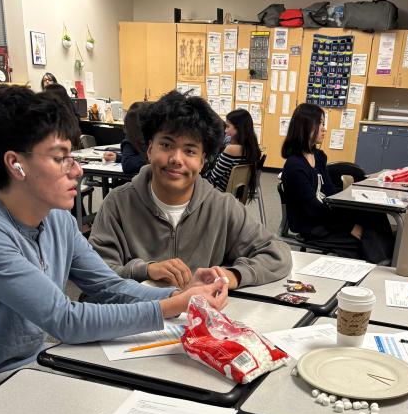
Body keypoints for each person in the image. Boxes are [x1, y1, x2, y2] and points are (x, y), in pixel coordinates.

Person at [0, 86, 228, 402]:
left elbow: (108, 286)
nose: (77, 169)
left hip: (36, 365)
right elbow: (66, 320)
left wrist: (179, 294)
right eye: (60, 158)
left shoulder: (56, 218)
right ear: (15, 164)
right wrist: (173, 306)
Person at [89, 90, 291, 289]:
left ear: (202, 161)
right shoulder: (118, 203)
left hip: (202, 318)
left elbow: (277, 253)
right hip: (138, 316)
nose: (177, 159)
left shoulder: (222, 207)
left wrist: (229, 276)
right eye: (166, 145)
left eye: (189, 151)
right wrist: (146, 270)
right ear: (150, 150)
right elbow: (94, 273)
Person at [280, 103, 393, 262]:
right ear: (306, 127)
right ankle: (380, 263)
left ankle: (387, 259)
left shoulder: (318, 156)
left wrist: (354, 206)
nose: (324, 128)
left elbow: (331, 193)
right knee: (363, 239)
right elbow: (314, 210)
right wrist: (349, 226)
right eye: (320, 124)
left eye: (323, 124)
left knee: (374, 213)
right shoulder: (294, 166)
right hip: (312, 225)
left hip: (325, 216)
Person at [205, 108, 261, 196]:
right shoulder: (253, 149)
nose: (225, 130)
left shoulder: (231, 149)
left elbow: (213, 179)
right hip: (234, 195)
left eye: (227, 126)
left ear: (239, 128)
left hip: (218, 194)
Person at [102, 101, 148, 181]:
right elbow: (128, 165)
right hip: (136, 185)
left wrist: (119, 158)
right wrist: (154, 158)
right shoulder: (130, 141)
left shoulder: (152, 139)